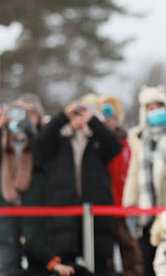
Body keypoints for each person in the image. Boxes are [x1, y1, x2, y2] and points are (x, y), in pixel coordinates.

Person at [36, 96, 121, 276]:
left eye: (81, 115)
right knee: (66, 267)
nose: (78, 119)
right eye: (74, 115)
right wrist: (63, 116)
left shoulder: (97, 140)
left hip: (96, 216)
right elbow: (41, 141)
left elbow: (114, 147)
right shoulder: (58, 141)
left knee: (99, 267)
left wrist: (92, 120)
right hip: (64, 217)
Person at [122, 85, 166, 276]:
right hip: (146, 215)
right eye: (149, 108)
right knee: (149, 265)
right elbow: (134, 175)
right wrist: (130, 205)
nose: (154, 111)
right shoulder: (139, 140)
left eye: (158, 106)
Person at [0, 94, 47, 275]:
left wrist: (32, 134)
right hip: (5, 212)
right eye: (24, 114)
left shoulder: (41, 138)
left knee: (37, 264)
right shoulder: (3, 137)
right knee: (6, 265)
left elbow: (43, 159)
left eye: (33, 114)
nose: (27, 118)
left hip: (33, 212)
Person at [96, 94, 143, 276]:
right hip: (104, 207)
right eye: (104, 117)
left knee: (131, 252)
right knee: (106, 257)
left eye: (111, 117)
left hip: (125, 206)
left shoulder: (127, 142)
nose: (108, 122)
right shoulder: (96, 143)